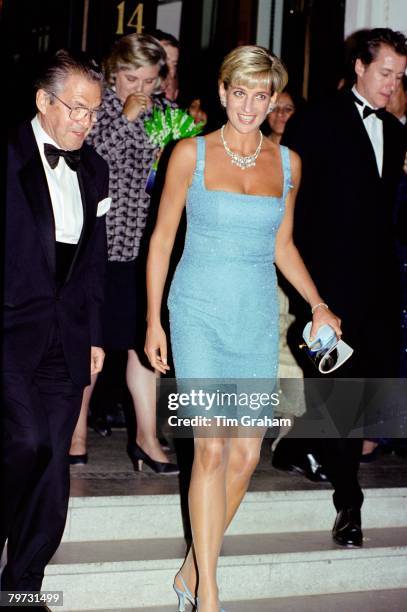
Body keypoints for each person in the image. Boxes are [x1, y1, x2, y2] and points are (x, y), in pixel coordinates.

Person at [144, 45, 341, 612]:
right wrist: (152, 318)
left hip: (254, 315)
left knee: (246, 458)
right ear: (224, 91)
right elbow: (161, 241)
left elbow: (283, 246)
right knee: (209, 451)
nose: (250, 106)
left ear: (273, 98)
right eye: (239, 93)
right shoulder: (191, 154)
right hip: (198, 311)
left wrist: (318, 304)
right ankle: (209, 593)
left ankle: (190, 569)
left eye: (262, 96)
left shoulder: (289, 163)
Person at [282, 28, 407, 546]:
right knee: (341, 390)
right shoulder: (315, 120)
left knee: (357, 395)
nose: (392, 84)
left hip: (379, 287)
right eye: (385, 73)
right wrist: (312, 297)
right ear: (359, 66)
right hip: (326, 286)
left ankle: (294, 449)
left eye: (400, 77)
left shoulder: (397, 131)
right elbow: (293, 208)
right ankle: (348, 505)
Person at [1, 50, 108, 599]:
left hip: (66, 338)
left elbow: (93, 261)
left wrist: (93, 335)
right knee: (24, 443)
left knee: (52, 470)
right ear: (43, 101)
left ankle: (22, 587)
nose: (85, 122)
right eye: (76, 108)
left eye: (94, 112)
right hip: (10, 333)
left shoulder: (95, 168)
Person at [70, 33, 179, 475]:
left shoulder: (169, 116)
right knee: (90, 345)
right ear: (113, 72)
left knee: (145, 347)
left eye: (149, 79)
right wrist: (125, 120)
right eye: (131, 76)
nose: (140, 87)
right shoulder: (97, 110)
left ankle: (146, 439)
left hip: (147, 249)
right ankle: (75, 434)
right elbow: (88, 162)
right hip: (97, 245)